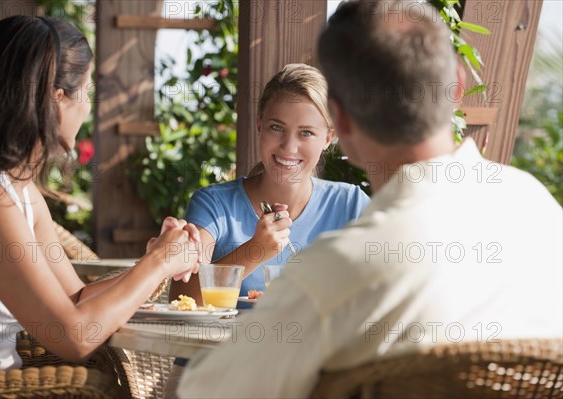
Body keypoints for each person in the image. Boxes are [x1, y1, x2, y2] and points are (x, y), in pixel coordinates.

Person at [177, 1, 563, 397]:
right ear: (457, 87)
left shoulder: (340, 267)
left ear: (337, 123)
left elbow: (208, 390)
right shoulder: (541, 210)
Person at [0, 16, 201, 373]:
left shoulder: (20, 192)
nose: (88, 109)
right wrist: (159, 264)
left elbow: (75, 297)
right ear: (57, 99)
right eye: (86, 93)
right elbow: (74, 338)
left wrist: (152, 261)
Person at [170, 63, 370, 306]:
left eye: (306, 133)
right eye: (277, 127)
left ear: (328, 138)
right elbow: (183, 298)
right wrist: (256, 250)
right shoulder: (214, 205)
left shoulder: (352, 206)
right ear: (259, 125)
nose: (289, 146)